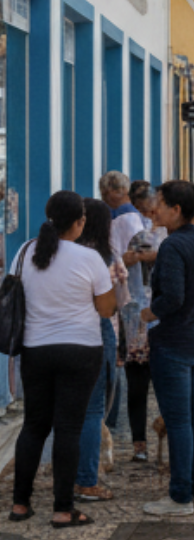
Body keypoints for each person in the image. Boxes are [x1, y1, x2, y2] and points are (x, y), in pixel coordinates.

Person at [10, 190, 116, 528]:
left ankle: (20, 504)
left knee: (33, 426)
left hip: (35, 350)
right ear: (80, 222)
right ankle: (63, 509)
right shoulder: (89, 258)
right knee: (68, 428)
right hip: (80, 350)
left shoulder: (24, 252)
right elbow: (106, 309)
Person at [141, 181, 194, 516]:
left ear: (176, 210)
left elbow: (173, 296)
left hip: (174, 343)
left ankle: (181, 496)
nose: (153, 208)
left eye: (159, 203)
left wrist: (151, 312)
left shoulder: (173, 246)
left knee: (178, 422)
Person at [73, 198, 124, 502]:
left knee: (67, 410)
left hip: (61, 335)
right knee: (93, 411)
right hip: (99, 333)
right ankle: (86, 479)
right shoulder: (106, 257)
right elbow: (118, 303)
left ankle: (65, 475)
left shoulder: (62, 254)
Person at [124, 181, 160, 463]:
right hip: (139, 318)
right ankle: (140, 444)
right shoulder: (136, 232)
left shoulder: (175, 236)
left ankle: (151, 445)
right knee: (138, 384)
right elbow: (124, 262)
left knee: (163, 387)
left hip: (156, 318)